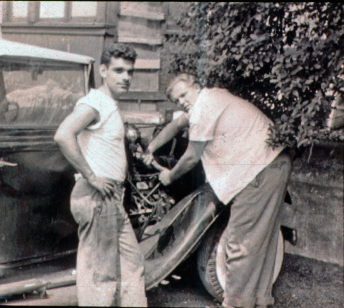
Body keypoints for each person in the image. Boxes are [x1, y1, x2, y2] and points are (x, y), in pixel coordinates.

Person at [143, 73, 292, 308]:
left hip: (259, 170)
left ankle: (235, 304)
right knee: (263, 238)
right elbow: (177, 124)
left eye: (183, 94)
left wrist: (169, 176)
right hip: (273, 163)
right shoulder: (212, 99)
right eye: (176, 100)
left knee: (240, 241)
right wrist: (150, 148)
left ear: (196, 86)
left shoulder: (204, 107)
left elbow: (192, 157)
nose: (181, 101)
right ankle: (260, 301)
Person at [54, 44, 147, 307]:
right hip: (97, 196)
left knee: (132, 265)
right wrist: (92, 176)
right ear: (103, 70)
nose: (126, 77)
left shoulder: (108, 105)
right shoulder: (95, 102)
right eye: (118, 71)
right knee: (101, 277)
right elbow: (63, 134)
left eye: (130, 72)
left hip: (112, 199)